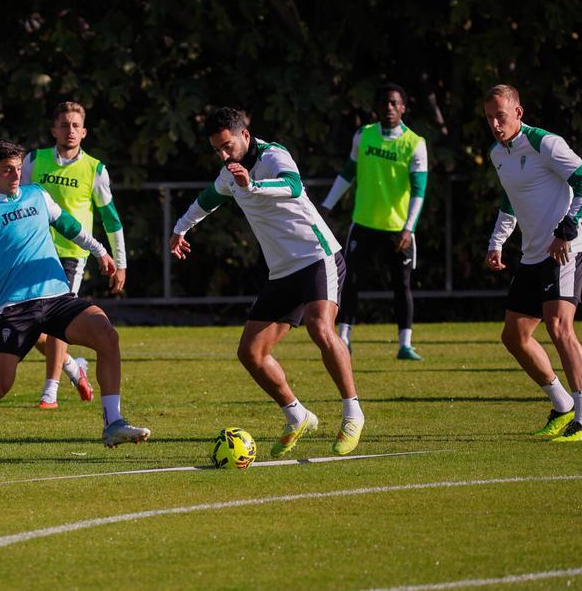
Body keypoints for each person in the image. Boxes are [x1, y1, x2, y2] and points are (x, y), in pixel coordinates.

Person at [0, 139, 150, 461]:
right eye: (7, 170)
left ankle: (113, 422)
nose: (15, 175)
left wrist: (100, 251)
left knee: (107, 336)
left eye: (18, 168)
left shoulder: (37, 194)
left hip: (58, 297)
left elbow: (69, 226)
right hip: (15, 309)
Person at [170, 108, 364, 457]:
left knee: (320, 328)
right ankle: (298, 415)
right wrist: (181, 228)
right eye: (217, 150)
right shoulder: (228, 173)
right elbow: (208, 199)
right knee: (251, 352)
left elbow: (292, 186)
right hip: (282, 271)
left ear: (245, 135)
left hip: (316, 256)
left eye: (228, 146)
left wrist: (253, 184)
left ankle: (353, 414)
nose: (224, 155)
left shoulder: (274, 155)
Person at [483, 84, 582, 442]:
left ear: (518, 112)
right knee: (514, 337)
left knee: (559, 326)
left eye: (500, 116)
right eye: (489, 118)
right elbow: (510, 198)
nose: (495, 125)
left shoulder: (546, 143)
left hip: (564, 249)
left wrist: (566, 229)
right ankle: (562, 404)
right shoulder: (497, 154)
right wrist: (497, 241)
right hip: (533, 254)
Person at [21, 101, 127, 409]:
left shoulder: (95, 169)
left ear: (84, 132)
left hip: (71, 254)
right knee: (28, 323)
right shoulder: (34, 160)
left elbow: (111, 218)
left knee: (57, 319)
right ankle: (72, 367)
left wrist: (120, 263)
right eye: (64, 125)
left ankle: (49, 391)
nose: (70, 130)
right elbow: (16, 201)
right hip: (32, 249)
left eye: (76, 125)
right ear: (53, 130)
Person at [321, 84, 428, 360]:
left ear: (403, 107)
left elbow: (419, 190)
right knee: (351, 281)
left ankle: (405, 345)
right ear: (377, 107)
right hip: (364, 224)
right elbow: (347, 173)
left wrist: (409, 227)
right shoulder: (363, 135)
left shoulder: (415, 143)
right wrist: (326, 206)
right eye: (384, 103)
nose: (389, 108)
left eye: (394, 103)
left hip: (397, 230)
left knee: (401, 286)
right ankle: (343, 338)